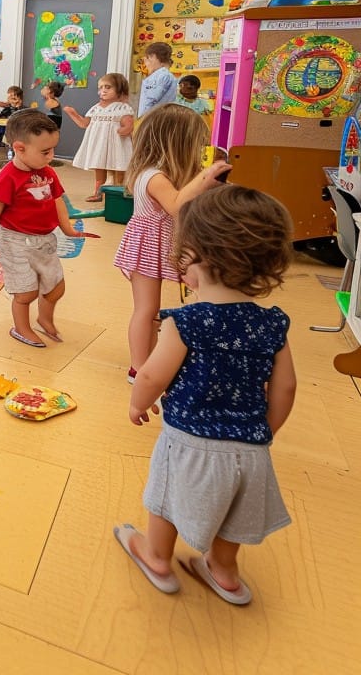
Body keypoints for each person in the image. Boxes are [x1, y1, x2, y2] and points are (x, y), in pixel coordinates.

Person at [115, 185, 296, 604]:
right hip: (252, 447)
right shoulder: (272, 323)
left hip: (188, 441)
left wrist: (137, 403)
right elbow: (285, 386)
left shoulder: (187, 320)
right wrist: (263, 431)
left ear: (196, 258)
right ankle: (225, 572)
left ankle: (158, 557)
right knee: (234, 514)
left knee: (166, 498)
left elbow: (151, 376)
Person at [113, 104, 230, 382]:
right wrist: (204, 177)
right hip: (146, 247)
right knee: (146, 309)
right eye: (195, 145)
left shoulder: (165, 173)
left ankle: (154, 358)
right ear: (177, 144)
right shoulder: (153, 176)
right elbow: (178, 206)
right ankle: (139, 368)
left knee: (155, 310)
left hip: (163, 244)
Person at [0, 110, 96, 348]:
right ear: (20, 148)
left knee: (55, 287)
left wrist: (67, 229)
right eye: (45, 152)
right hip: (15, 242)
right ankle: (21, 328)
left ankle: (44, 318)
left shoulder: (47, 172)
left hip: (44, 241)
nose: (51, 156)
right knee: (25, 293)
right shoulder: (9, 177)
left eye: (53, 149)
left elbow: (57, 201)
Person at [62, 73, 135, 201]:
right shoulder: (95, 108)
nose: (103, 90)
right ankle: (98, 192)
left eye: (108, 87)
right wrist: (73, 114)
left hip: (116, 144)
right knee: (99, 169)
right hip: (99, 145)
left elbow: (128, 124)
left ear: (119, 89)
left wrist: (125, 129)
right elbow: (84, 123)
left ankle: (118, 193)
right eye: (100, 88)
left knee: (119, 168)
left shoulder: (122, 108)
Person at [138, 41, 178, 117]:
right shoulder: (165, 75)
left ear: (153, 57)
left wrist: (141, 119)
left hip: (151, 118)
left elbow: (150, 100)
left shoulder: (162, 75)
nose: (146, 64)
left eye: (148, 58)